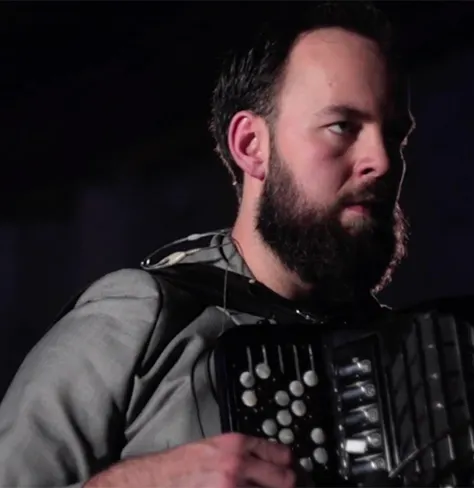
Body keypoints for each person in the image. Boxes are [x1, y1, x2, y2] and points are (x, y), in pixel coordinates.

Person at [0, 2, 415, 487]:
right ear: (251, 146)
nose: (382, 160)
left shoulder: (409, 357)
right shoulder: (143, 317)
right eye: (342, 126)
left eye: (393, 135)